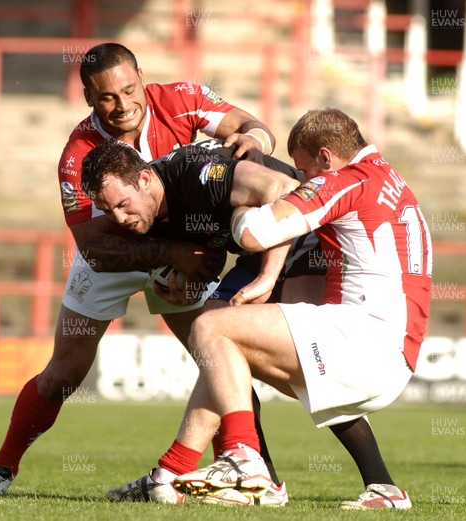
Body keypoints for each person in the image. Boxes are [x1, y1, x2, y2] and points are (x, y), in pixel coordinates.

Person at [0, 42, 280, 497]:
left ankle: (242, 473)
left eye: (129, 89)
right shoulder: (77, 153)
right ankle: (1, 467)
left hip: (179, 249)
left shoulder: (180, 99)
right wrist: (171, 253)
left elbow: (248, 127)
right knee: (62, 375)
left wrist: (258, 141)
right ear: (89, 98)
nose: (122, 104)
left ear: (141, 79)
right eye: (107, 97)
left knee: (220, 360)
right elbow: (93, 247)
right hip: (119, 253)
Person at [171, 108, 432, 510]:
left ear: (326, 157)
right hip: (395, 352)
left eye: (305, 169)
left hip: (365, 341)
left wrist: (244, 201)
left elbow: (253, 232)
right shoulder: (393, 180)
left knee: (211, 328)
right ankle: (381, 487)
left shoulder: (346, 181)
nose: (304, 178)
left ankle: (245, 464)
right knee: (235, 358)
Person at [79, 137, 321, 506]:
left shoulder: (194, 173)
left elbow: (285, 190)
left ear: (145, 180)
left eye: (123, 205)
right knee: (213, 333)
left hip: (314, 237)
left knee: (316, 373)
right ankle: (181, 471)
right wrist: (187, 281)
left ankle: (245, 463)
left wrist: (269, 277)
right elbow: (205, 250)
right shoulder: (149, 213)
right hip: (262, 253)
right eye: (108, 211)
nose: (119, 219)